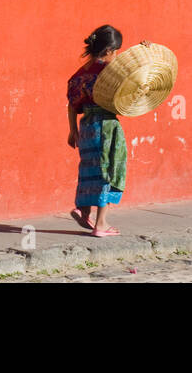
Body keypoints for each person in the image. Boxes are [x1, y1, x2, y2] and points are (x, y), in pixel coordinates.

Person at [66, 24, 127, 237]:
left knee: (89, 168)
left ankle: (83, 210)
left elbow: (72, 105)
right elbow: (135, 76)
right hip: (106, 125)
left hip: (86, 126)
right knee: (109, 171)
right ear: (108, 50)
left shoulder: (79, 74)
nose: (116, 55)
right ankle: (101, 224)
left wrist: (72, 130)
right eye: (116, 51)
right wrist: (145, 51)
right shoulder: (109, 72)